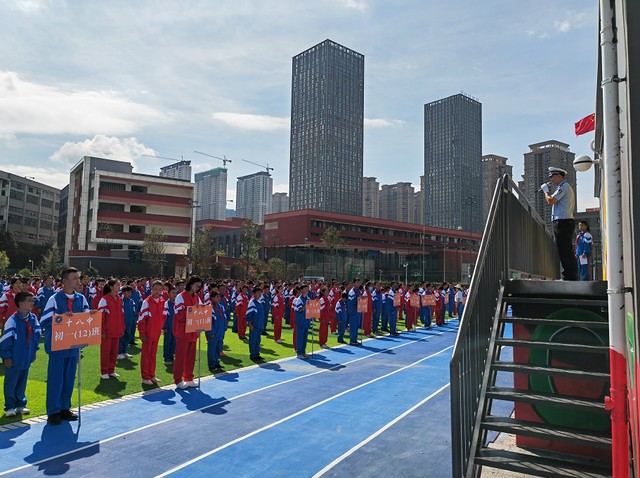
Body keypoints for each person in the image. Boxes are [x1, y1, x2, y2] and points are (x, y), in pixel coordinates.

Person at [40, 267, 93, 425]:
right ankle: (53, 411)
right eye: (75, 278)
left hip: (74, 346)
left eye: (78, 277)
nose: (78, 281)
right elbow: (44, 321)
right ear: (64, 281)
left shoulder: (81, 298)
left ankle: (65, 408)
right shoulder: (54, 299)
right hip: (58, 346)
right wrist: (61, 318)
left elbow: (86, 316)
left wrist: (91, 316)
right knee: (56, 379)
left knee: (70, 379)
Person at [0, 291, 41, 417]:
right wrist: (6, 356)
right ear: (21, 304)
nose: (32, 303)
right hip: (14, 356)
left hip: (27, 355)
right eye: (30, 300)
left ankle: (20, 404)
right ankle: (10, 406)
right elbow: (6, 340)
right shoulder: (12, 320)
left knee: (22, 380)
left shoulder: (33, 318)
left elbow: (37, 335)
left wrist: (34, 350)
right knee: (11, 382)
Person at [540, 167, 578, 281]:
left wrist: (546, 191)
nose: (551, 179)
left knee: (564, 249)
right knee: (565, 249)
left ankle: (569, 276)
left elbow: (550, 201)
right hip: (564, 221)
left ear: (559, 176)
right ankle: (570, 275)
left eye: (552, 176)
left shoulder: (564, 187)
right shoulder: (562, 187)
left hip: (563, 221)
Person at [172, 276, 202, 389]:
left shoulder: (197, 298)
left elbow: (201, 311)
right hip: (182, 332)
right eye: (196, 285)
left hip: (193, 332)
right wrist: (192, 310)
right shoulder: (181, 296)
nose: (197, 288)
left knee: (191, 357)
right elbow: (179, 315)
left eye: (199, 286)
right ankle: (178, 380)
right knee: (180, 357)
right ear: (190, 284)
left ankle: (189, 378)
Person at [138, 281, 165, 386]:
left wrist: (159, 328)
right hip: (148, 334)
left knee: (153, 355)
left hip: (156, 333)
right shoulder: (147, 302)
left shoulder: (163, 302)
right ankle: (145, 377)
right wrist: (142, 334)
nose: (157, 291)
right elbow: (142, 319)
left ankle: (151, 375)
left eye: (160, 290)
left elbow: (164, 317)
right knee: (146, 355)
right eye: (155, 289)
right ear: (151, 289)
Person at [97, 279, 125, 379]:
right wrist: (102, 331)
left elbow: (122, 314)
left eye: (119, 285)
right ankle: (104, 371)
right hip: (107, 331)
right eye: (117, 285)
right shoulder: (104, 299)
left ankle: (111, 370)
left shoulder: (120, 299)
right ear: (111, 287)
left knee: (114, 351)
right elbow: (101, 317)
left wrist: (122, 328)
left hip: (116, 330)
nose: (119, 286)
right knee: (105, 352)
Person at [207, 291, 225, 370]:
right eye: (217, 297)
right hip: (214, 332)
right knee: (212, 349)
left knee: (218, 348)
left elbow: (224, 318)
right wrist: (211, 332)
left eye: (219, 296)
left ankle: (216, 362)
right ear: (212, 298)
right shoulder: (209, 308)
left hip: (220, 331)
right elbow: (208, 321)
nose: (219, 298)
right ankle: (211, 364)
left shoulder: (221, 307)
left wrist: (224, 328)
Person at [245, 286, 265, 361]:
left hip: (259, 325)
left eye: (260, 293)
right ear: (253, 294)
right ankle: (252, 354)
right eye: (258, 293)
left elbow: (262, 315)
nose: (259, 294)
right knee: (253, 341)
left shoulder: (260, 302)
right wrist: (250, 324)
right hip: (254, 325)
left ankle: (257, 353)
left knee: (258, 341)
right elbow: (249, 314)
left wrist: (262, 324)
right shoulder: (252, 302)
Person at [117, 286, 136, 360]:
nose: (129, 294)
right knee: (121, 338)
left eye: (130, 292)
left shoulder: (131, 301)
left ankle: (125, 351)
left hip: (129, 323)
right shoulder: (120, 301)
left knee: (127, 337)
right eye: (128, 292)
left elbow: (133, 312)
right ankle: (119, 353)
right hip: (122, 323)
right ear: (123, 293)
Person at [294, 284, 310, 358]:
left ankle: (303, 351)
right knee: (300, 337)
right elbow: (299, 309)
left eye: (307, 288)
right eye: (305, 288)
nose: (307, 290)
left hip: (307, 321)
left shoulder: (308, 298)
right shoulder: (299, 299)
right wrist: (305, 306)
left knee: (305, 338)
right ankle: (299, 352)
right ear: (301, 290)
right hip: (301, 321)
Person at [162, 286, 178, 365]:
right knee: (167, 343)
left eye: (175, 293)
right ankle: (166, 358)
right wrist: (165, 327)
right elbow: (164, 317)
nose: (174, 295)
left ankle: (172, 356)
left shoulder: (177, 303)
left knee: (174, 343)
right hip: (168, 328)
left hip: (175, 327)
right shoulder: (166, 304)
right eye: (173, 293)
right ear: (168, 294)